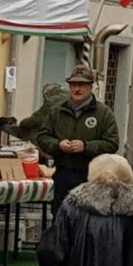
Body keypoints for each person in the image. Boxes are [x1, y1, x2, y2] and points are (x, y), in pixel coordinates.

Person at [35, 66, 120, 210]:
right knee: (61, 215)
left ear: (90, 87)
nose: (77, 89)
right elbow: (42, 137)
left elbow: (112, 143)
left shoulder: (103, 113)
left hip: (92, 177)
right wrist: (58, 145)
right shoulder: (57, 111)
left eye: (82, 85)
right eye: (73, 85)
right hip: (63, 174)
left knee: (88, 216)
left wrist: (86, 147)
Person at [17, 83, 66, 148]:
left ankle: (43, 152)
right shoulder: (69, 95)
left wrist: (23, 123)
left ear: (46, 94)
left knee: (37, 132)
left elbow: (37, 119)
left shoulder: (53, 101)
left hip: (62, 136)